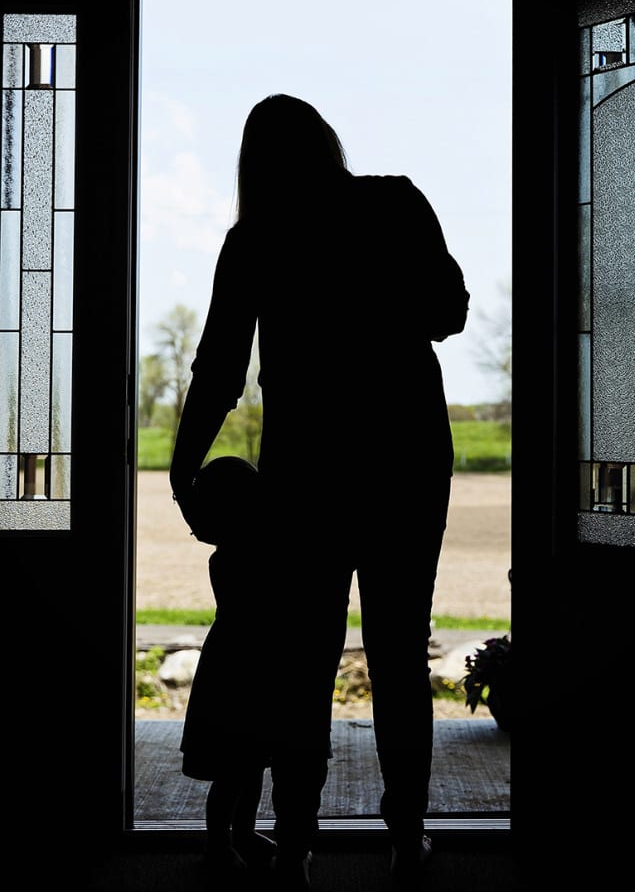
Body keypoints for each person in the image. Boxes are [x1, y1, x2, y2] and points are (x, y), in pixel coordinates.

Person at [170, 93, 470, 890]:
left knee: (303, 657)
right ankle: (405, 836)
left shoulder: (254, 237)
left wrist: (182, 463)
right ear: (326, 143)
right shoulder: (397, 201)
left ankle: (297, 842)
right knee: (400, 651)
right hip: (406, 457)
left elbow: (218, 368)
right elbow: (451, 313)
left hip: (304, 473)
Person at [174, 455, 276, 887]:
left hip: (232, 657)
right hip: (245, 659)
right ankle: (219, 841)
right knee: (239, 766)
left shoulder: (229, 551)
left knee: (247, 764)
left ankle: (240, 833)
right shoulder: (246, 553)